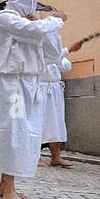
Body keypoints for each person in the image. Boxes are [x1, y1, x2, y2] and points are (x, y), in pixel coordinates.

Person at [0, 0, 66, 199]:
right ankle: (9, 188)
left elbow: (53, 54)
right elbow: (30, 31)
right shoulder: (5, 18)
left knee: (24, 132)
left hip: (29, 84)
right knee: (13, 132)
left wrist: (47, 29)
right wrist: (55, 21)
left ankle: (5, 185)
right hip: (12, 84)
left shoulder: (31, 25)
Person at [39, 24, 83, 167]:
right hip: (41, 89)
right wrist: (68, 50)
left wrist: (58, 55)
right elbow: (46, 60)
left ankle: (55, 157)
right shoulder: (38, 50)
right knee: (39, 123)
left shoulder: (56, 56)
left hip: (55, 89)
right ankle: (35, 157)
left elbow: (66, 66)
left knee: (56, 123)